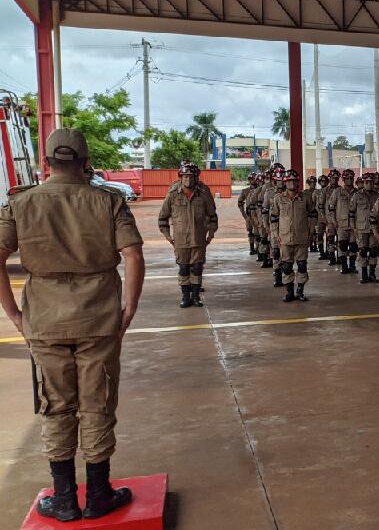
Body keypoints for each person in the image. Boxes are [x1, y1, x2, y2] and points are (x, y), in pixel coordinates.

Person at [0, 128, 144, 522]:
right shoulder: (107, 201)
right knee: (97, 402)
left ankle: (64, 497)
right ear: (85, 162)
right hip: (99, 317)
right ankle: (98, 494)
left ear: (47, 163)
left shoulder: (22, 202)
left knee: (56, 404)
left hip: (44, 320)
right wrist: (127, 308)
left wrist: (15, 313)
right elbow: (132, 254)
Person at [158, 161, 218, 308]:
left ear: (196, 177)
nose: (188, 179)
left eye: (191, 176)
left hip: (198, 239)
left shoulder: (203, 194)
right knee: (183, 268)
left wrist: (210, 234)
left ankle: (196, 296)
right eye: (185, 176)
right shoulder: (173, 195)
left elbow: (212, 216)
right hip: (180, 240)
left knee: (197, 268)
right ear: (180, 177)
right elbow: (162, 218)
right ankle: (185, 297)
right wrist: (168, 236)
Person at [271, 169, 316, 302]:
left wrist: (311, 231)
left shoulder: (305, 198)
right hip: (285, 238)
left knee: (302, 265)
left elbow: (313, 215)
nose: (291, 183)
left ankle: (300, 290)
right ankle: (289, 291)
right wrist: (275, 234)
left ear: (297, 183)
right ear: (285, 183)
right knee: (287, 266)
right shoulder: (278, 198)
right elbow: (273, 217)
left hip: (302, 237)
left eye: (294, 181)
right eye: (289, 181)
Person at [351, 172, 379, 283]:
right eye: (367, 182)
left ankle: (372, 274)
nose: (369, 184)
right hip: (361, 228)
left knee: (373, 251)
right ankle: (364, 274)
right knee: (363, 251)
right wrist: (353, 227)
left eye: (371, 182)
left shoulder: (378, 196)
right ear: (363, 183)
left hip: (374, 229)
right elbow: (351, 213)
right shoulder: (357, 196)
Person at [328, 169, 358, 274]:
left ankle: (353, 266)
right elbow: (331, 208)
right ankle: (344, 266)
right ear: (343, 179)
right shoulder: (337, 192)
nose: (349, 180)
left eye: (351, 178)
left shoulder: (357, 192)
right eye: (347, 178)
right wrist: (333, 222)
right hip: (341, 224)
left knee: (354, 246)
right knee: (342, 245)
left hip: (354, 225)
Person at [239, 172, 258, 255]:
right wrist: (244, 215)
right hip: (249, 215)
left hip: (259, 214)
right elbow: (240, 203)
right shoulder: (245, 191)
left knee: (259, 232)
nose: (252, 181)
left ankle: (260, 249)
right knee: (250, 232)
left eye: (253, 179)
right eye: (250, 179)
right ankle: (252, 248)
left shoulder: (261, 189)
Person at [306, 175, 320, 252]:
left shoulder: (318, 192)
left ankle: (315, 245)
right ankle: (310, 245)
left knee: (315, 231)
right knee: (309, 231)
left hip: (316, 214)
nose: (313, 184)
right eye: (311, 182)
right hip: (308, 215)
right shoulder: (305, 192)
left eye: (314, 182)